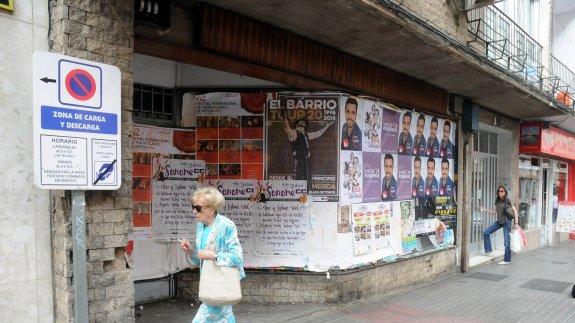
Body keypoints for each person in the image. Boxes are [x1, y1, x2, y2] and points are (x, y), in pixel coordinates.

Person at [180, 187, 245, 322]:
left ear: (211, 208)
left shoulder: (227, 225)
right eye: (193, 206)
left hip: (222, 282)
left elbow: (237, 257)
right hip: (209, 282)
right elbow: (200, 260)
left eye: (198, 207)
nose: (194, 211)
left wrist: (213, 255)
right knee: (224, 318)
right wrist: (191, 250)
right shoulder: (200, 226)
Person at [283, 113, 334, 180]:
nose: (302, 123)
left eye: (303, 123)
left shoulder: (306, 135)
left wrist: (327, 126)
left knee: (306, 182)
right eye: (300, 123)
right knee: (299, 181)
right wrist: (285, 119)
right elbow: (289, 130)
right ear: (296, 125)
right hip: (300, 164)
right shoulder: (295, 133)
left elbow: (318, 133)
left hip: (307, 162)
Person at [479, 185, 519, 265]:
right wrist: (484, 209)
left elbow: (515, 211)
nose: (500, 192)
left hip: (507, 222)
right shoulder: (497, 200)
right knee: (486, 232)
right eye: (499, 191)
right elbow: (494, 212)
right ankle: (489, 251)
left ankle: (507, 260)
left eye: (502, 191)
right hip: (499, 221)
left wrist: (516, 223)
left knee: (506, 242)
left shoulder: (508, 200)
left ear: (505, 192)